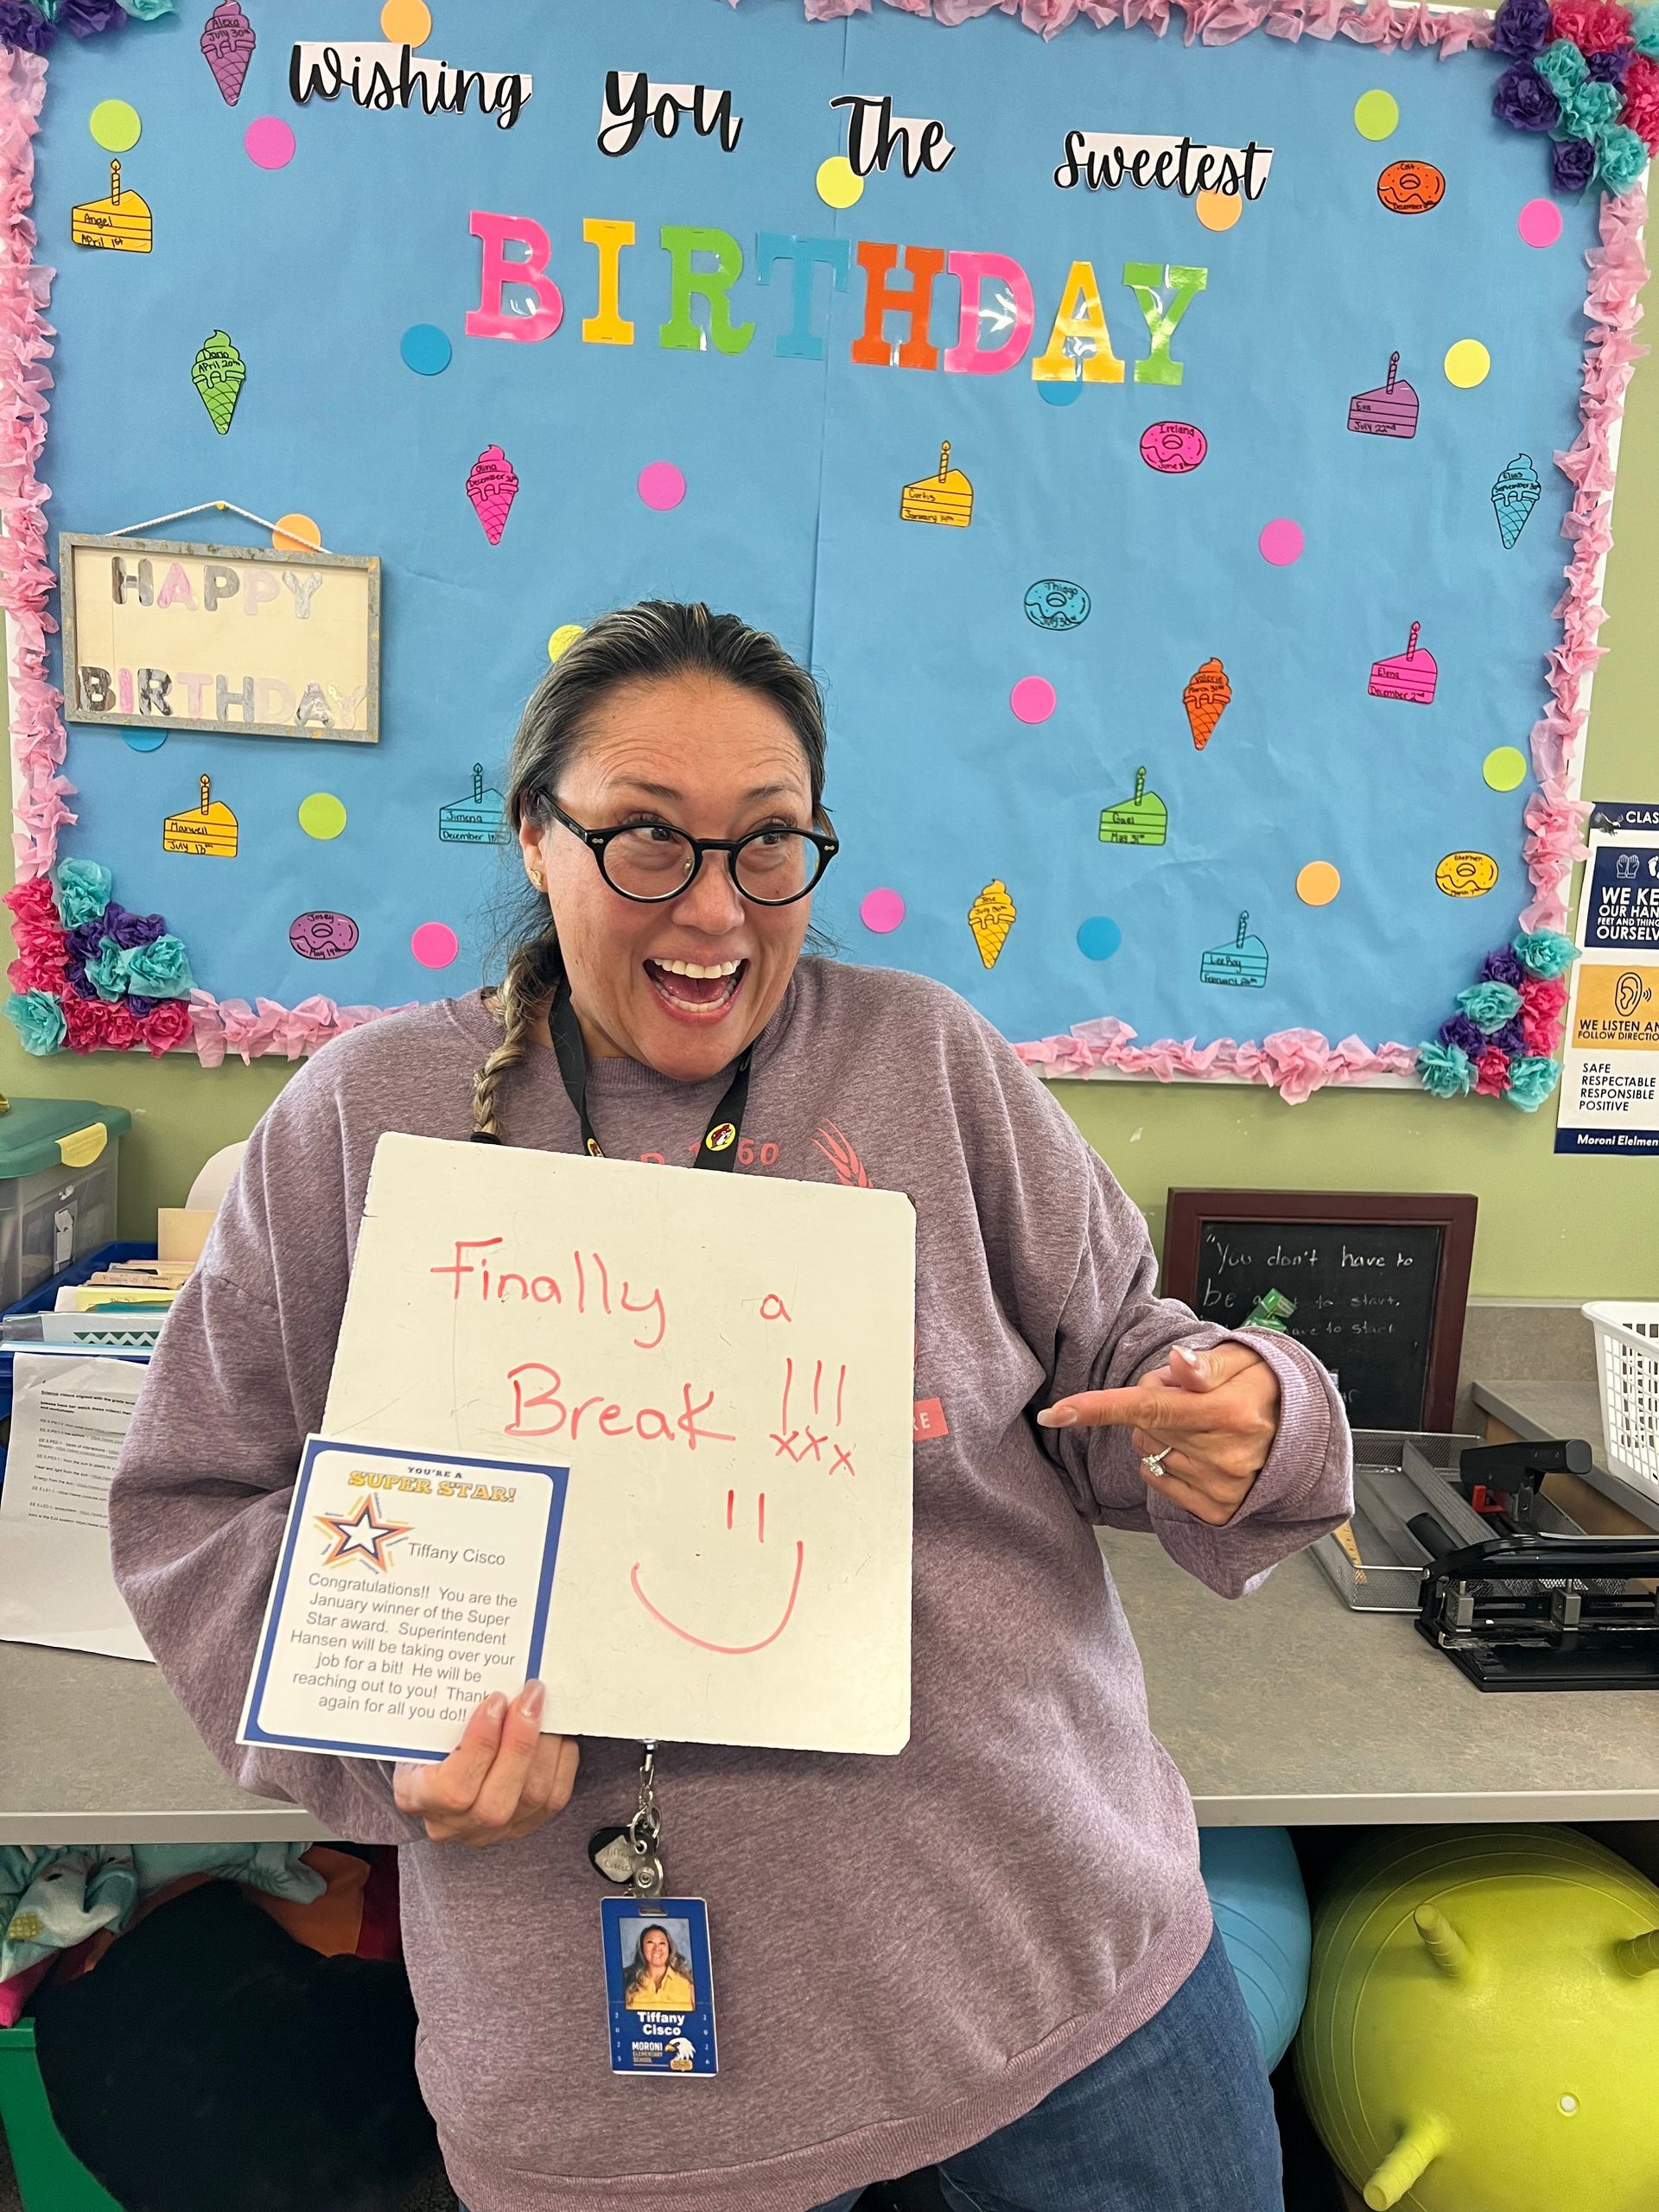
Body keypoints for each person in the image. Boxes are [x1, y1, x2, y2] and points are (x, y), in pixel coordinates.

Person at [111, 601, 1352, 2212]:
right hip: (611, 2083)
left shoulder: (927, 1057)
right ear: (533, 839)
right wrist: (383, 1747)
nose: (713, 908)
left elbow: (1125, 1356)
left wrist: (1245, 1400)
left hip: (1059, 1983)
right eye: (643, 840)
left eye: (768, 846)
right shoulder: (365, 1121)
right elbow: (196, 1503)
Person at [623, 1923, 696, 2012]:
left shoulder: (689, 1983)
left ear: (669, 1948)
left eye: (662, 1943)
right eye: (650, 1942)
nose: (657, 1948)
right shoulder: (626, 1981)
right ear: (642, 1948)